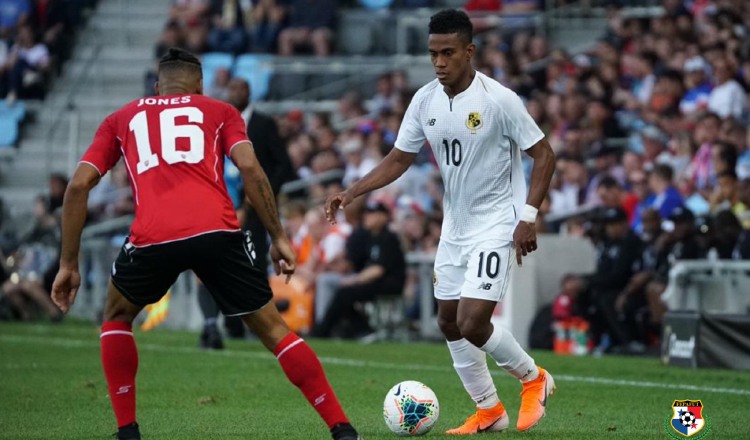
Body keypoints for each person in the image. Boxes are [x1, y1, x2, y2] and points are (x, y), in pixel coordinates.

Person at [50, 48, 361, 440]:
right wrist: (279, 237)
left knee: (116, 315)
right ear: (199, 85)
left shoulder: (121, 119)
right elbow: (250, 168)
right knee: (274, 330)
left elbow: (78, 185)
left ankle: (127, 431)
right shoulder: (220, 111)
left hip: (153, 235)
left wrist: (68, 264)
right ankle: (342, 428)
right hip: (217, 231)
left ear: (157, 85)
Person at [324, 9, 556, 434]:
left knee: (472, 322)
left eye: (448, 52)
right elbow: (399, 158)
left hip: (496, 223)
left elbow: (544, 154)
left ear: (470, 51)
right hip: (455, 228)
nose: (439, 62)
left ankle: (533, 377)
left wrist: (528, 218)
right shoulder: (425, 100)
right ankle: (489, 410)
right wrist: (352, 191)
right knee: (448, 321)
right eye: (433, 53)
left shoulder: (499, 99)